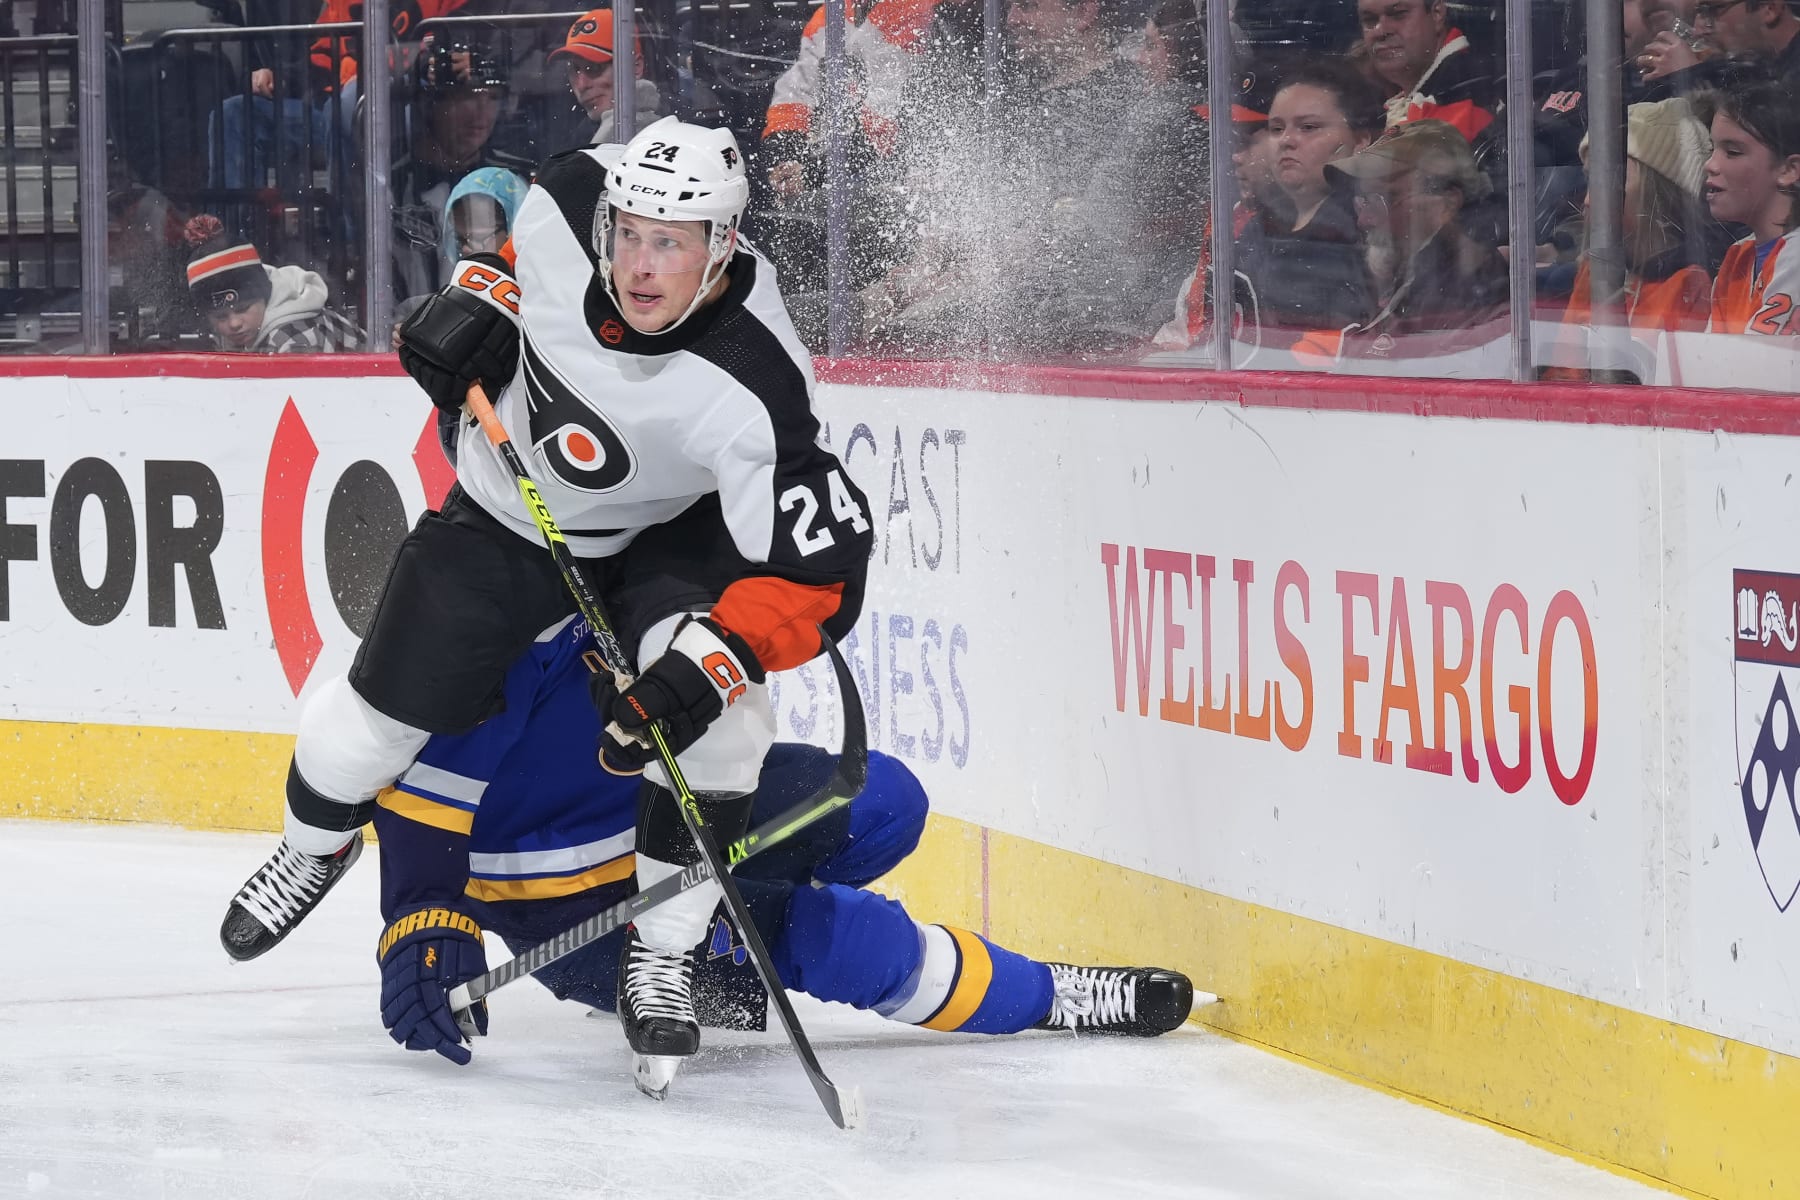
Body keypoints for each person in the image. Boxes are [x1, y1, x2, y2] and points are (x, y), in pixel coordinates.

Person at [220, 116, 874, 1081]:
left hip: (663, 540)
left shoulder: (758, 378)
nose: (640, 265)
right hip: (503, 514)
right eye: (630, 233)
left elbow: (817, 573)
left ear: (723, 244)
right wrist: (473, 304)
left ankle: (664, 952)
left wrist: (714, 662)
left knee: (723, 729)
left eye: (671, 244)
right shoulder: (570, 198)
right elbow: (508, 269)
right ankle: (313, 847)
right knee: (356, 738)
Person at [371, 614, 1197, 1079]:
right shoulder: (484, 612)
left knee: (888, 805)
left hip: (681, 806)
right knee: (853, 943)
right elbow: (401, 782)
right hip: (578, 908)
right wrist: (420, 917)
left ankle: (751, 917)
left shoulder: (646, 530)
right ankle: (1048, 994)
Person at [1543, 98, 1715, 378]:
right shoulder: (1593, 271)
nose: (1588, 200)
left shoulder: (1692, 283)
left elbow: (1679, 386)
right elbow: (1562, 376)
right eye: (1590, 179)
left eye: (1612, 179)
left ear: (1658, 191)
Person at [1324, 118, 1510, 348]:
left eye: (1386, 197)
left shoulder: (1466, 293)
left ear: (1447, 203)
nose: (1365, 220)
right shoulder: (1397, 277)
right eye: (1363, 201)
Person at [1238, 63, 1383, 337]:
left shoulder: (1364, 231)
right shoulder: (1259, 227)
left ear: (1361, 141)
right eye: (1276, 128)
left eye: (1308, 127)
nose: (1286, 140)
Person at [389, 38, 534, 311]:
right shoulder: (391, 185)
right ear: (430, 103)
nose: (482, 112)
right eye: (467, 96)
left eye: (492, 97)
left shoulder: (518, 180)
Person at [1697, 76, 1800, 332]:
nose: (1710, 164)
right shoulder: (1737, 256)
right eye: (1712, 149)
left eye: (1732, 152)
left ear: (1788, 170)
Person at [182, 214, 364, 353]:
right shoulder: (254, 326)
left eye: (243, 308)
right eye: (221, 317)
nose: (234, 323)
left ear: (264, 293)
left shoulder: (293, 341)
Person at [1353, 0, 1497, 141]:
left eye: (1398, 14)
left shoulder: (1470, 100)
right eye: (1370, 20)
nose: (1381, 31)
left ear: (1437, 13)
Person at [547, 7, 662, 146]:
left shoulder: (674, 122)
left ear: (636, 66)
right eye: (574, 70)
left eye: (594, 68)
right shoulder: (577, 136)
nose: (582, 85)